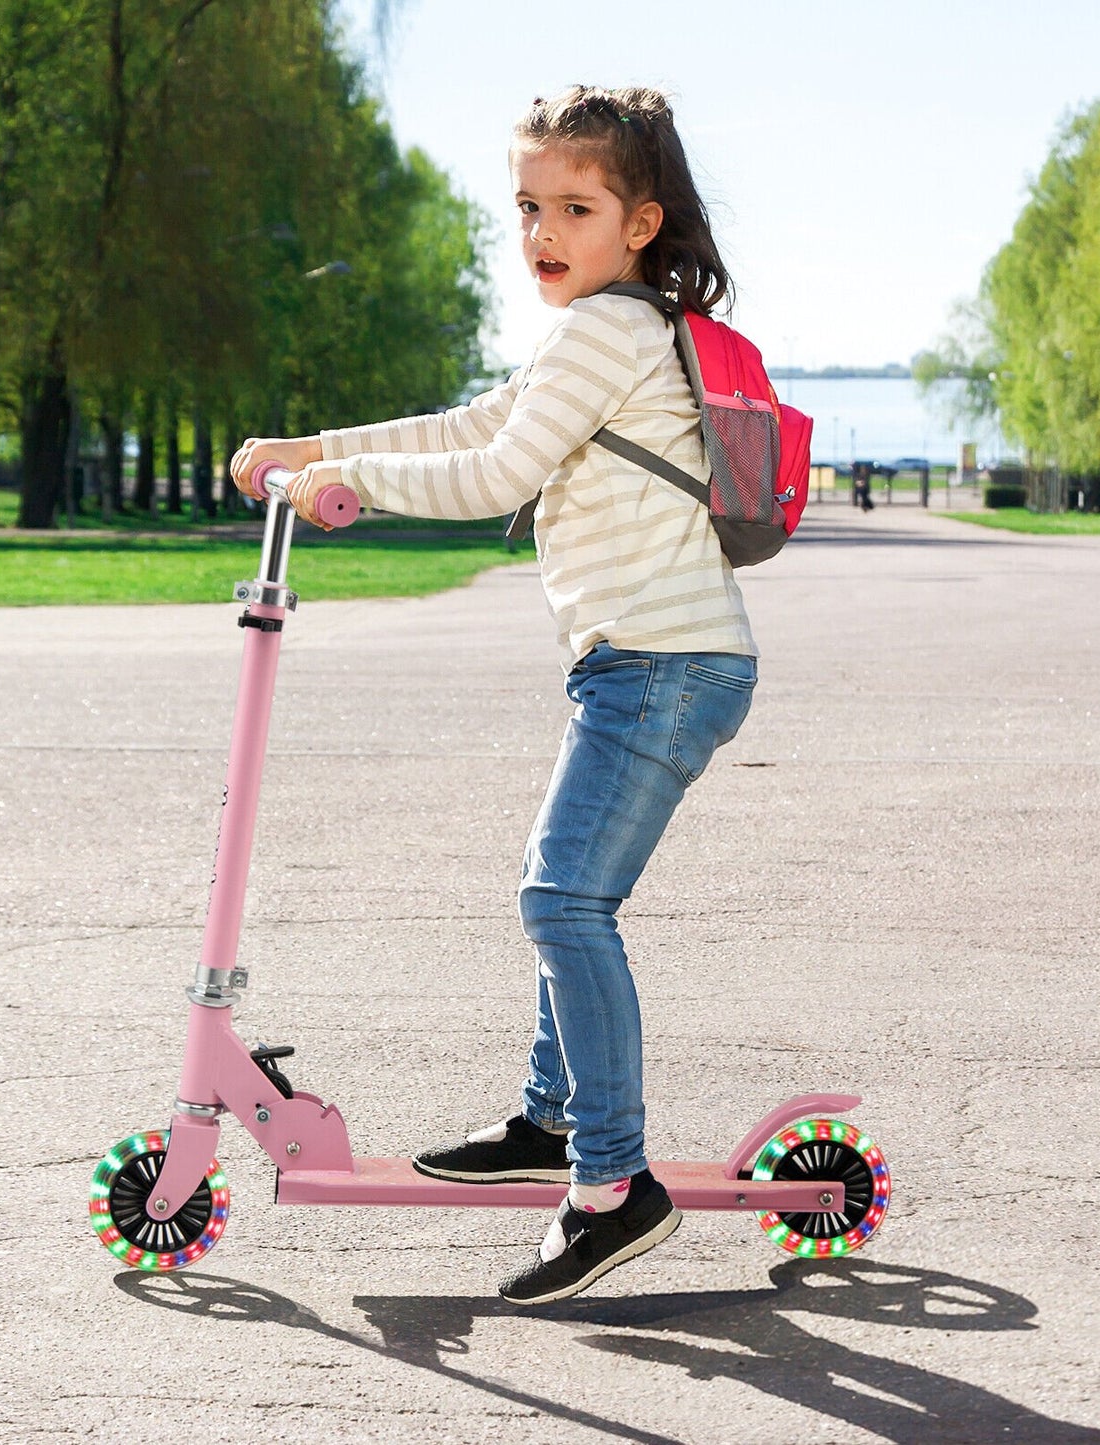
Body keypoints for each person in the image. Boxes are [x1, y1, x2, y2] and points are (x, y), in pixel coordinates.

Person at [231, 84, 758, 1305]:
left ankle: (610, 1182)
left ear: (640, 222)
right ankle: (548, 1119)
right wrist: (315, 450)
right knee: (564, 890)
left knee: (561, 898)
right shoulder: (604, 329)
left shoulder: (608, 330)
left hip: (661, 663)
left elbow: (496, 469)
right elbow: (474, 418)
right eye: (528, 206)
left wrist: (336, 485)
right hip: (643, 660)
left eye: (574, 207)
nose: (542, 231)